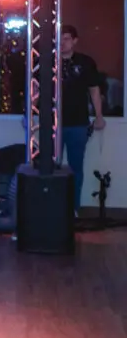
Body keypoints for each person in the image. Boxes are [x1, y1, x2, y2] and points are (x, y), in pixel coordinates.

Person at [60, 25, 106, 212]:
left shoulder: (85, 62)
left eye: (67, 39)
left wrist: (99, 116)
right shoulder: (48, 61)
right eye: (60, 39)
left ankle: (73, 209)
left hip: (78, 123)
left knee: (75, 168)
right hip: (53, 124)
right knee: (49, 168)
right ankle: (52, 209)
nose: (63, 43)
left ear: (75, 41)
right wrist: (27, 115)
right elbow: (37, 89)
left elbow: (94, 90)